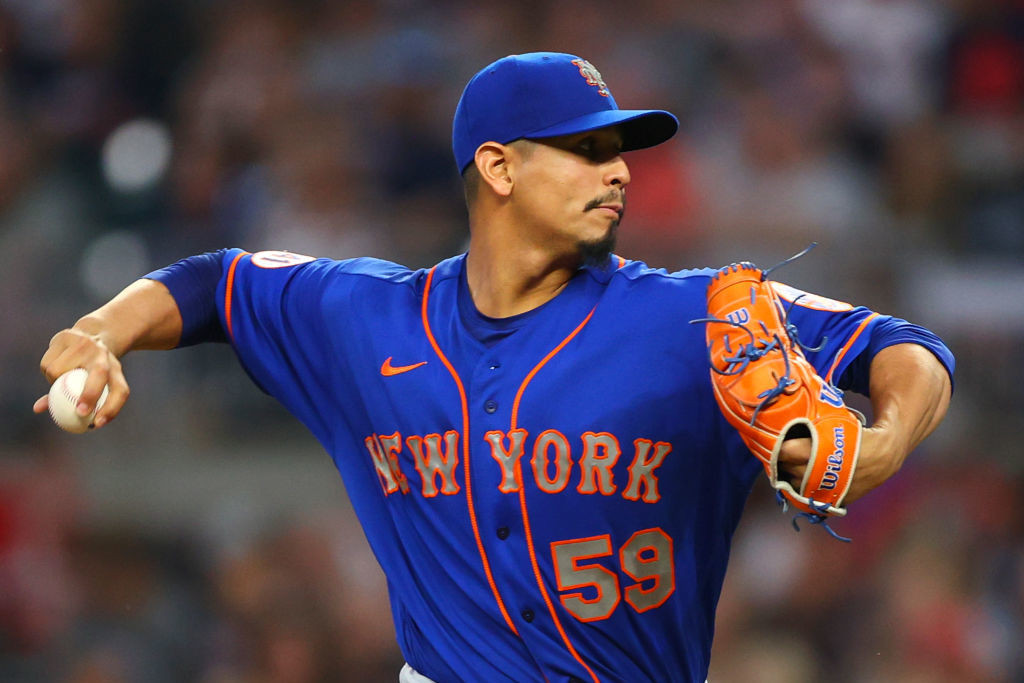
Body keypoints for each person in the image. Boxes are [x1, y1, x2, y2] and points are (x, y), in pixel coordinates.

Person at [35, 53, 953, 682]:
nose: (621, 171)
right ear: (500, 168)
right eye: (588, 148)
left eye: (621, 149)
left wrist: (885, 439)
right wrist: (100, 330)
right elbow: (212, 284)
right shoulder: (368, 317)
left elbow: (908, 348)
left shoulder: (692, 313)